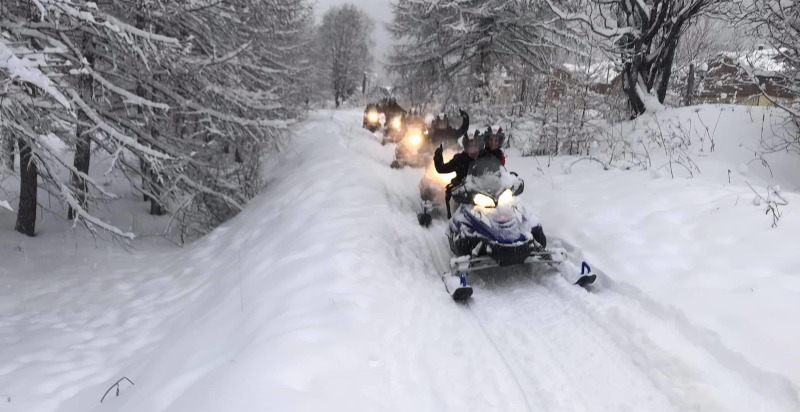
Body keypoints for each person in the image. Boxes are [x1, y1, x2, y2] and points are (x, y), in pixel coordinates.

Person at [434, 128, 483, 218]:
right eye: (470, 144)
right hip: (463, 194)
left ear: (479, 144)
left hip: (483, 192)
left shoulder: (485, 157)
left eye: (475, 144)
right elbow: (442, 169)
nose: (473, 147)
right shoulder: (460, 159)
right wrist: (438, 157)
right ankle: (455, 221)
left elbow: (495, 171)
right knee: (458, 212)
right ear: (466, 145)